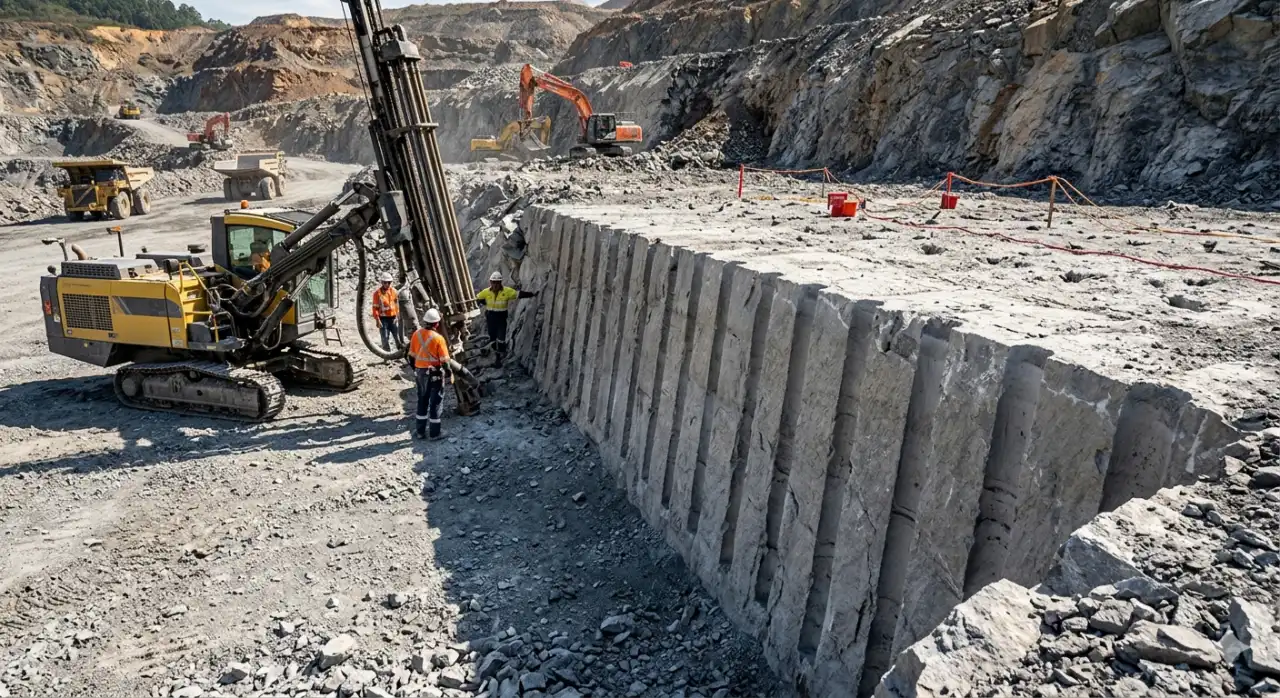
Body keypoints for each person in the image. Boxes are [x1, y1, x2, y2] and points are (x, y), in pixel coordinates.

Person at [475, 271, 536, 366]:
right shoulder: (486, 292)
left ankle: (501, 355)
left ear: (500, 282)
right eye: (493, 282)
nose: (495, 284)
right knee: (493, 339)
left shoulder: (507, 291)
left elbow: (519, 294)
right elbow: (477, 299)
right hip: (490, 319)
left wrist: (532, 294)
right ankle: (496, 357)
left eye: (497, 282)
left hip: (501, 319)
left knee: (501, 339)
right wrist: (481, 302)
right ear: (490, 282)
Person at [408, 308, 450, 440]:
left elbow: (411, 356)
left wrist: (416, 368)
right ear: (436, 324)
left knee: (422, 400)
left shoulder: (416, 334)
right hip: (434, 373)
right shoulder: (438, 338)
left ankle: (420, 432)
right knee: (435, 402)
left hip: (420, 373)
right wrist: (448, 372)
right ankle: (435, 433)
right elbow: (445, 362)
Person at [372, 272, 403, 352]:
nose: (387, 284)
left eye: (389, 282)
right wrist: (377, 320)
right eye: (385, 282)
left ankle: (401, 353)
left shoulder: (394, 291)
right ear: (382, 282)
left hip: (393, 318)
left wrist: (397, 315)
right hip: (383, 319)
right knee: (385, 338)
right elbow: (375, 308)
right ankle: (387, 356)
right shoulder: (377, 294)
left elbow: (396, 304)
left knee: (397, 337)